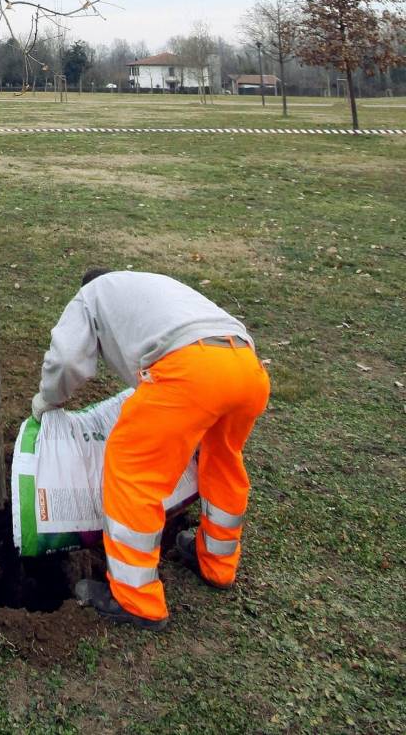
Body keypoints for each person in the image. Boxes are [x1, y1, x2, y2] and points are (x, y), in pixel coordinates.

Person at [31, 268, 270, 631]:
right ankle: (218, 564)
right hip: (245, 365)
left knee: (131, 468)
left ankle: (135, 599)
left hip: (190, 371)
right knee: (221, 461)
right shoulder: (148, 285)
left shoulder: (90, 296)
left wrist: (47, 400)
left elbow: (66, 361)